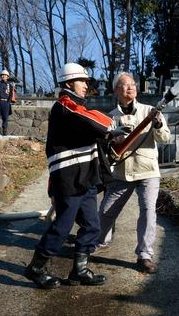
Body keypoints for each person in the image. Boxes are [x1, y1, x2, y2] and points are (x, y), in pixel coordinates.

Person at [24, 62, 130, 289]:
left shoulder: (78, 109)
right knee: (63, 226)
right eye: (83, 81)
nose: (86, 86)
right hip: (69, 179)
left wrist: (109, 138)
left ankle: (79, 270)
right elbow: (90, 119)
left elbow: (90, 127)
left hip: (86, 178)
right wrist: (112, 126)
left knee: (93, 226)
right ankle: (36, 268)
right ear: (69, 83)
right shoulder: (64, 106)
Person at [97, 72, 170, 274]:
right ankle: (99, 240)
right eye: (124, 85)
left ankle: (144, 255)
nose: (130, 88)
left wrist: (157, 124)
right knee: (106, 211)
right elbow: (106, 149)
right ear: (116, 90)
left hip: (148, 170)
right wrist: (113, 142)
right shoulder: (111, 116)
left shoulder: (151, 111)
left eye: (132, 85)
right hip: (122, 171)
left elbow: (165, 138)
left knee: (148, 211)